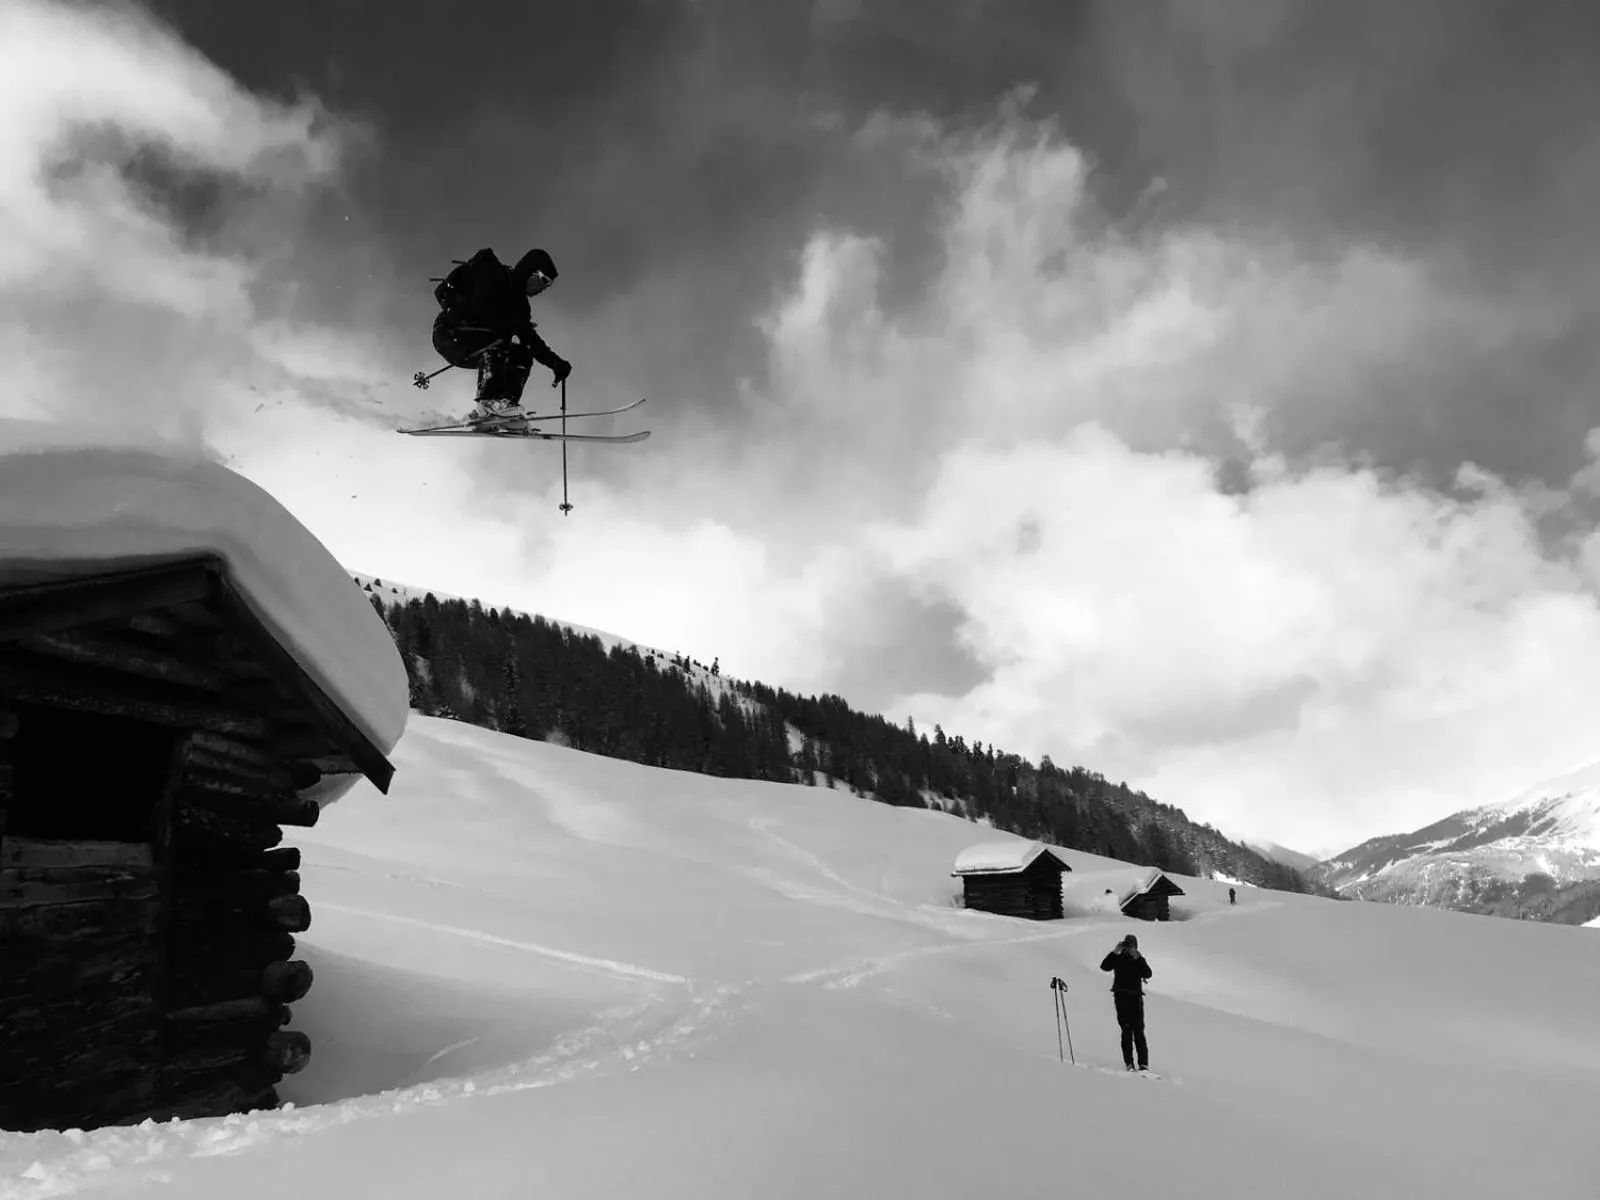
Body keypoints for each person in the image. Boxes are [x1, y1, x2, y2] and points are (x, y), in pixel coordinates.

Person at [430, 247, 572, 421]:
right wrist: (504, 324)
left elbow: (530, 340)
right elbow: (480, 306)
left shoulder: (520, 306)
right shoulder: (494, 276)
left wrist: (556, 364)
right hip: (451, 334)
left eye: (548, 284)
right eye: (543, 280)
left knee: (522, 355)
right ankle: (488, 405)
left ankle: (505, 407)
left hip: (476, 343)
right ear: (530, 273)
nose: (543, 288)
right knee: (498, 344)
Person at [1099, 933, 1153, 1071]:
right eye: (1127, 945)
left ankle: (1143, 1064)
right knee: (1126, 1030)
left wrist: (1138, 958)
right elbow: (1104, 966)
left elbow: (1148, 974)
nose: (1129, 949)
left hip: (1135, 998)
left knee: (1139, 1032)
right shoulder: (1118, 957)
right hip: (1121, 997)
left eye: (1132, 946)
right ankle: (1129, 1063)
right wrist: (1114, 953)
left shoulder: (1138, 959)